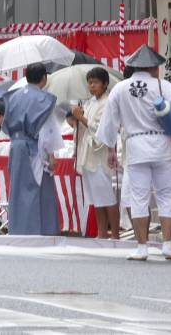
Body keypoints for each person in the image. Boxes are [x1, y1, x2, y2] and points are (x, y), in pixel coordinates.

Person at [97, 45, 171, 261]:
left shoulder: (120, 89)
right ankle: (167, 244)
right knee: (166, 193)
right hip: (161, 144)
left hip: (136, 145)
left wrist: (111, 147)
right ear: (154, 67)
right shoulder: (162, 85)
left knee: (139, 196)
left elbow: (109, 122)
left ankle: (142, 246)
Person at [2, 62, 64, 236]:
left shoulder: (13, 97)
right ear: (44, 78)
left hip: (15, 145)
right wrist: (51, 154)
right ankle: (39, 229)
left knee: (18, 188)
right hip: (33, 146)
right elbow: (47, 129)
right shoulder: (43, 99)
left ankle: (18, 228)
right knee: (36, 187)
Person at [70, 67, 119, 239]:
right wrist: (76, 118)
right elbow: (83, 129)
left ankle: (115, 234)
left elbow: (101, 130)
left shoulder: (108, 103)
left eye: (95, 82)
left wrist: (81, 118)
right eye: (90, 82)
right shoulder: (90, 103)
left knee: (106, 196)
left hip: (99, 155)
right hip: (87, 154)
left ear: (105, 84)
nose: (92, 86)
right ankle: (102, 233)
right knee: (96, 198)